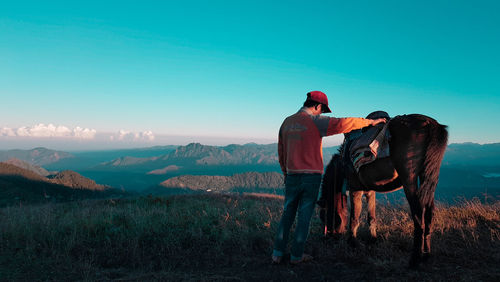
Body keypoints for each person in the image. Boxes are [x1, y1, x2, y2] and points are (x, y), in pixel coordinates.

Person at [272, 91, 386, 265]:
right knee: (304, 216)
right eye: (322, 110)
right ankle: (296, 256)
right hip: (311, 178)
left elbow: (281, 152)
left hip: (292, 175)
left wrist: (286, 172)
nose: (322, 113)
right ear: (317, 106)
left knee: (287, 214)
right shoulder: (315, 122)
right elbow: (345, 123)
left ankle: (277, 254)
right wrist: (371, 122)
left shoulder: (286, 123)